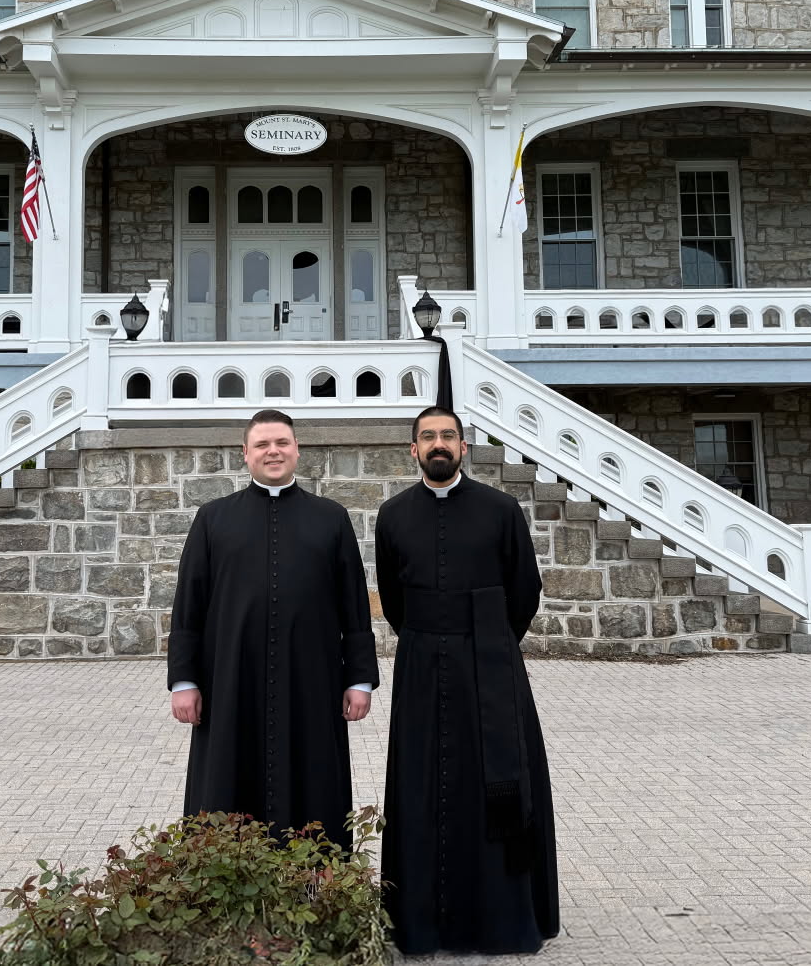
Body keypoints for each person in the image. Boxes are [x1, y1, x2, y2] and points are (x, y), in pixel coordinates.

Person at [375, 406, 559, 955]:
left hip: (491, 666)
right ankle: (422, 921)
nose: (438, 444)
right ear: (413, 449)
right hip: (421, 665)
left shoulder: (501, 510)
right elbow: (393, 599)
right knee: (420, 783)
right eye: (428, 437)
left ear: (464, 446)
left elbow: (524, 589)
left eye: (448, 436)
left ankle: (501, 918)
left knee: (498, 783)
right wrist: (431, 637)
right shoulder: (392, 515)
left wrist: (488, 640)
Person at [167, 409, 379, 851]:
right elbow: (190, 605)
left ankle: (319, 889)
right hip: (229, 680)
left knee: (314, 775)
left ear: (297, 450)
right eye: (262, 444)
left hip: (313, 681)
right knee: (227, 777)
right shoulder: (213, 519)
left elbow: (354, 606)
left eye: (282, 442)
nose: (273, 451)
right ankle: (222, 884)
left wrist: (359, 680)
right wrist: (184, 682)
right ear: (245, 454)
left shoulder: (331, 518)